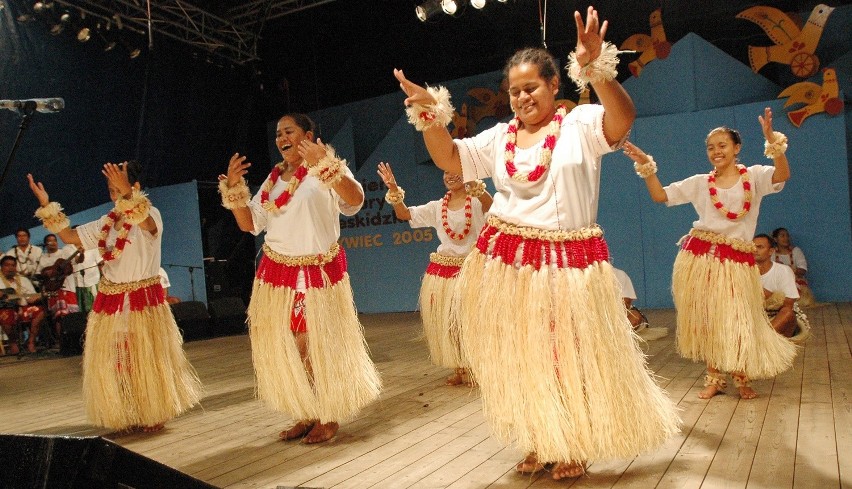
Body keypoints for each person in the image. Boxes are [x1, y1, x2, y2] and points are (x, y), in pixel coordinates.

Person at [394, 7, 678, 480]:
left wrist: (597, 68)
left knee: (565, 355)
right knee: (520, 357)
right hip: (509, 263)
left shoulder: (582, 125)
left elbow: (622, 119)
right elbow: (448, 155)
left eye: (531, 87)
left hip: (568, 264)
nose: (522, 97)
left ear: (553, 86)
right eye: (514, 90)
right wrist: (430, 114)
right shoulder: (498, 137)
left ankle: (570, 441)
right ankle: (537, 436)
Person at [218, 113, 381, 444]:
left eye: (288, 131)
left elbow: (355, 200)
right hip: (277, 274)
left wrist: (328, 167)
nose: (281, 138)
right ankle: (305, 411)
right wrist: (234, 190)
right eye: (278, 133)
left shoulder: (325, 168)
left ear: (307, 134)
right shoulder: (273, 179)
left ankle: (328, 413)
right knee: (291, 348)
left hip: (315, 271)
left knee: (313, 344)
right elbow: (250, 223)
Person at [624, 108, 797, 401]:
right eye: (710, 147)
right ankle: (715, 378)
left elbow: (782, 174)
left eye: (722, 145)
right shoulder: (701, 182)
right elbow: (660, 196)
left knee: (740, 320)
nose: (716, 151)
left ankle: (742, 376)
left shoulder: (754, 176)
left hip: (738, 261)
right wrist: (646, 166)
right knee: (710, 321)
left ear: (737, 148)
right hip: (701, 258)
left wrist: (772, 141)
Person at [27, 160, 202, 432]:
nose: (113, 193)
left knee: (146, 358)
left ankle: (154, 410)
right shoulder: (106, 223)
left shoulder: (151, 215)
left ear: (135, 187)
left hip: (143, 299)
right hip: (111, 301)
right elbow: (70, 236)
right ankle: (126, 411)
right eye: (110, 188)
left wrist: (129, 196)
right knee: (118, 359)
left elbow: (146, 224)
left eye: (119, 187)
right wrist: (47, 205)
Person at [377, 162, 492, 387]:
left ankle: (480, 366)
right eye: (447, 172)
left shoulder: (478, 201)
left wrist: (475, 186)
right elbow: (404, 214)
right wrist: (393, 188)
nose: (451, 176)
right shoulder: (437, 207)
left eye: (457, 172)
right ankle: (460, 366)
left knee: (473, 321)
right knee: (451, 323)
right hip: (445, 271)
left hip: (472, 269)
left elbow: (491, 206)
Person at [754, 234, 811, 343]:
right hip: (754, 316)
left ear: (771, 251)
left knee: (787, 313)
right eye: (753, 247)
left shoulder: (783, 271)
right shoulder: (743, 271)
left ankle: (760, 340)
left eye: (760, 247)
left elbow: (788, 305)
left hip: (777, 318)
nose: (755, 250)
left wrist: (767, 295)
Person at [35, 234, 81, 342]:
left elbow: (76, 262)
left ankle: (74, 340)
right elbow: (39, 274)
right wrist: (48, 273)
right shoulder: (43, 258)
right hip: (53, 289)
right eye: (49, 241)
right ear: (46, 244)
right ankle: (62, 341)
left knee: (71, 315)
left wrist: (81, 254)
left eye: (54, 240)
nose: (52, 243)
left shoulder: (64, 253)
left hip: (68, 288)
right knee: (58, 316)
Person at [0, 255, 46, 354]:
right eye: (7, 265)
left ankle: (31, 341)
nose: (10, 268)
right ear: (2, 267)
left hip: (23, 308)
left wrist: (36, 298)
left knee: (40, 311)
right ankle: (13, 342)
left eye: (13, 265)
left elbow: (30, 298)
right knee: (5, 314)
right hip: (5, 310)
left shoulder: (23, 280)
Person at [771, 227, 816, 307]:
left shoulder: (796, 251)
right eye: (782, 236)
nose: (786, 238)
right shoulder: (772, 252)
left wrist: (787, 269)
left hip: (795, 282)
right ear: (775, 239)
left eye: (787, 236)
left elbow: (803, 270)